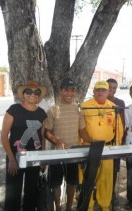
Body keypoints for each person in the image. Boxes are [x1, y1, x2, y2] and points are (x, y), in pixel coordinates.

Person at [45, 78, 92, 211]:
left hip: (73, 153)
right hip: (56, 153)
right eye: (66, 90)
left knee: (72, 183)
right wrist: (57, 141)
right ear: (60, 91)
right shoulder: (53, 110)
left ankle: (69, 208)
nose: (69, 93)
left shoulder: (78, 109)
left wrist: (93, 142)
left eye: (72, 90)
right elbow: (47, 133)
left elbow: (82, 132)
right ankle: (58, 207)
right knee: (56, 184)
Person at [0, 80, 48, 211]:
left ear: (39, 95)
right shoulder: (14, 110)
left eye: (36, 92)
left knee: (31, 192)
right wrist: (11, 159)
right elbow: (4, 136)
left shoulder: (42, 113)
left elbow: (42, 136)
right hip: (15, 157)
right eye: (29, 91)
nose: (33, 94)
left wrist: (43, 159)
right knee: (13, 193)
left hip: (34, 158)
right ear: (23, 94)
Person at [80, 80, 124, 211]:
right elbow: (79, 129)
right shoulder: (85, 106)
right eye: (98, 90)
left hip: (107, 148)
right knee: (89, 178)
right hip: (89, 148)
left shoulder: (113, 107)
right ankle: (88, 205)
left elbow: (119, 130)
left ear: (108, 92)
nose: (100, 92)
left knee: (106, 179)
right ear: (93, 91)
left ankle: (105, 205)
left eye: (103, 90)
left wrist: (116, 149)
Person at [106, 78, 126, 206]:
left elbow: (123, 123)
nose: (112, 90)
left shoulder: (120, 102)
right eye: (110, 87)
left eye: (114, 88)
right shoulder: (99, 101)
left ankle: (111, 194)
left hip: (115, 143)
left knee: (113, 170)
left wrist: (122, 142)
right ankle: (100, 192)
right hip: (102, 142)